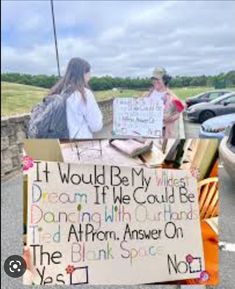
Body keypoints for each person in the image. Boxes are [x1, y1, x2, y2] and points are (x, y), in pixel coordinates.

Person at [48, 57, 103, 139]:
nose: (90, 75)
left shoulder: (57, 91)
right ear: (83, 73)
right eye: (89, 72)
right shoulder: (84, 94)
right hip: (80, 144)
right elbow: (96, 125)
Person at [144, 67, 185, 138]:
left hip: (163, 133)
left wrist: (169, 118)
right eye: (153, 79)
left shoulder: (173, 97)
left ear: (164, 80)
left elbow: (181, 110)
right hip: (148, 131)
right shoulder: (149, 93)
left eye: (157, 79)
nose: (155, 81)